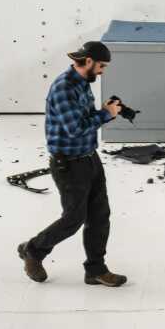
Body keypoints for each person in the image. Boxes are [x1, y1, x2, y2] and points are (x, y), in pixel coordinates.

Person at [18, 41, 127, 287]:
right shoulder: (63, 89)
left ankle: (95, 270)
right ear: (88, 61)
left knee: (100, 216)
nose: (102, 71)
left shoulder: (82, 83)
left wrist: (105, 112)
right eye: (101, 66)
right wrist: (106, 114)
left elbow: (84, 119)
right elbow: (76, 128)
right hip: (68, 164)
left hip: (90, 158)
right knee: (73, 219)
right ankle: (33, 250)